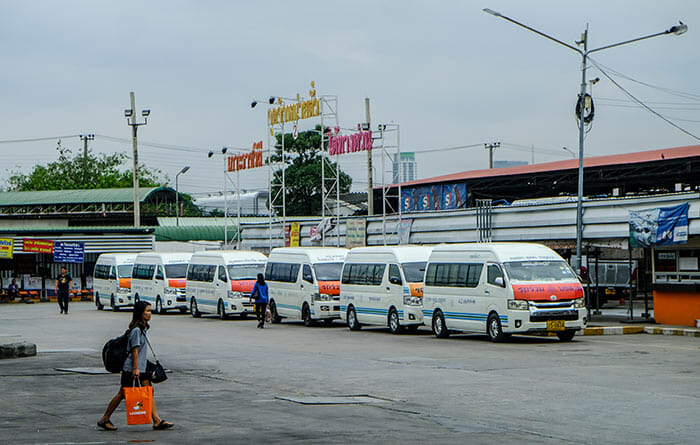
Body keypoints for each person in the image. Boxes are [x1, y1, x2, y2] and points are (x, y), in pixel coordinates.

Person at [98, 301, 173, 431]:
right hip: (132, 368)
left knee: (148, 391)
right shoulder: (136, 330)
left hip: (142, 367)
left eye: (150, 311)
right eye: (147, 311)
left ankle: (157, 420)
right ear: (140, 313)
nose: (150, 314)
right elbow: (135, 351)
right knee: (122, 393)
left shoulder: (142, 328)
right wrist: (135, 368)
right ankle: (105, 418)